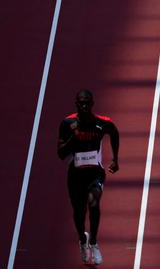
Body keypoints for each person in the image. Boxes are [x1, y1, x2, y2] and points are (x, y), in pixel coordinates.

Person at [57, 89, 119, 265]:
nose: (84, 106)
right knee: (79, 213)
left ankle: (93, 242)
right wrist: (73, 139)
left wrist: (115, 159)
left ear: (92, 104)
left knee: (94, 202)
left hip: (95, 174)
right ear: (76, 104)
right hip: (75, 176)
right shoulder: (68, 123)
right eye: (80, 103)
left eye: (87, 102)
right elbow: (60, 153)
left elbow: (114, 133)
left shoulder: (102, 123)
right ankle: (83, 241)